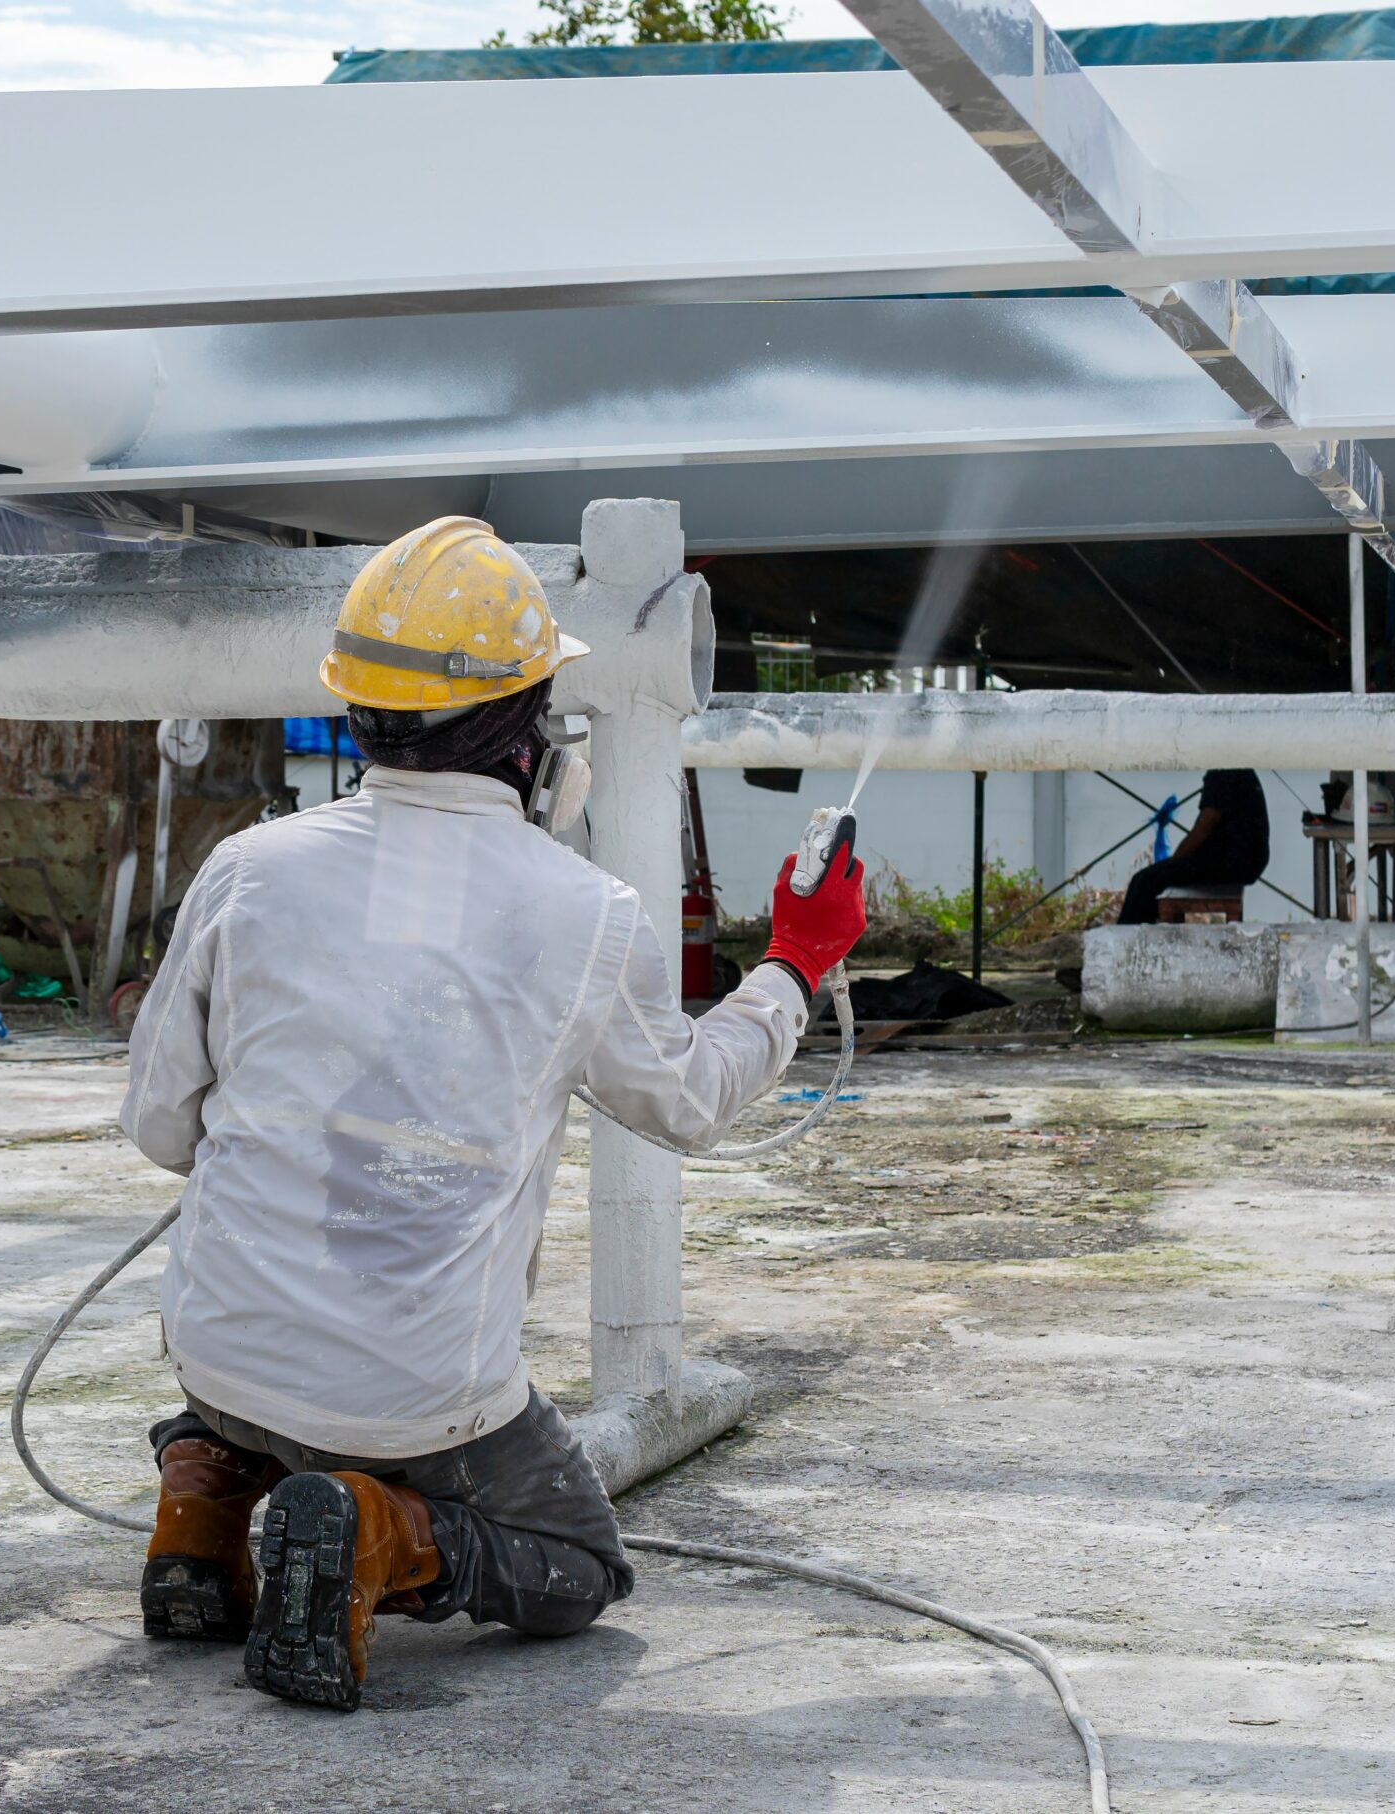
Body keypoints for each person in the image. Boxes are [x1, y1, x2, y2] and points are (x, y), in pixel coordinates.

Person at [117, 516, 868, 1712]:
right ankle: (378, 1528)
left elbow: (163, 1128)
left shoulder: (248, 867)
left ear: (357, 716)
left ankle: (204, 1500)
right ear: (531, 729)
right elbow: (690, 1103)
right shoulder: (583, 911)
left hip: (219, 1355)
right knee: (578, 1566)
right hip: (417, 1398)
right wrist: (794, 962)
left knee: (263, 1376)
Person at [1117, 768, 1271, 925]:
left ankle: (1125, 943)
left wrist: (1174, 862)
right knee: (1151, 879)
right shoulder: (1238, 767)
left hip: (1233, 859)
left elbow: (1205, 826)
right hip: (1246, 859)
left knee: (1144, 882)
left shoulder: (1223, 769)